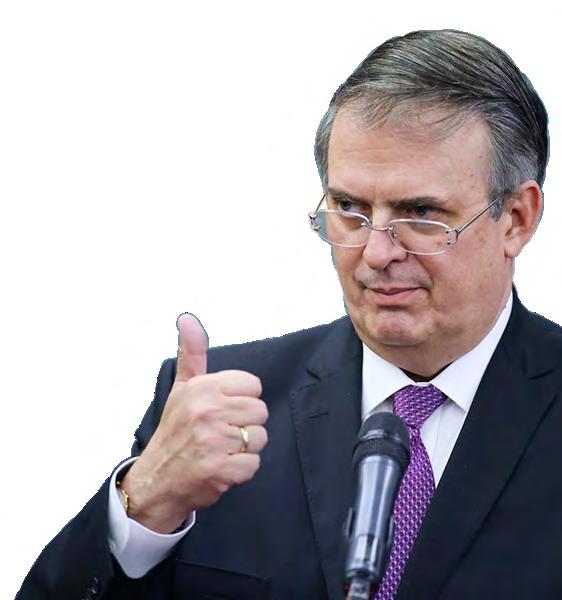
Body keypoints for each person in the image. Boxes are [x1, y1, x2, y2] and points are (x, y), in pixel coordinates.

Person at [17, 28, 561, 600]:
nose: (376, 253)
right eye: (349, 208)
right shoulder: (220, 410)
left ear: (516, 219)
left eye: (421, 213)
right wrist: (146, 502)